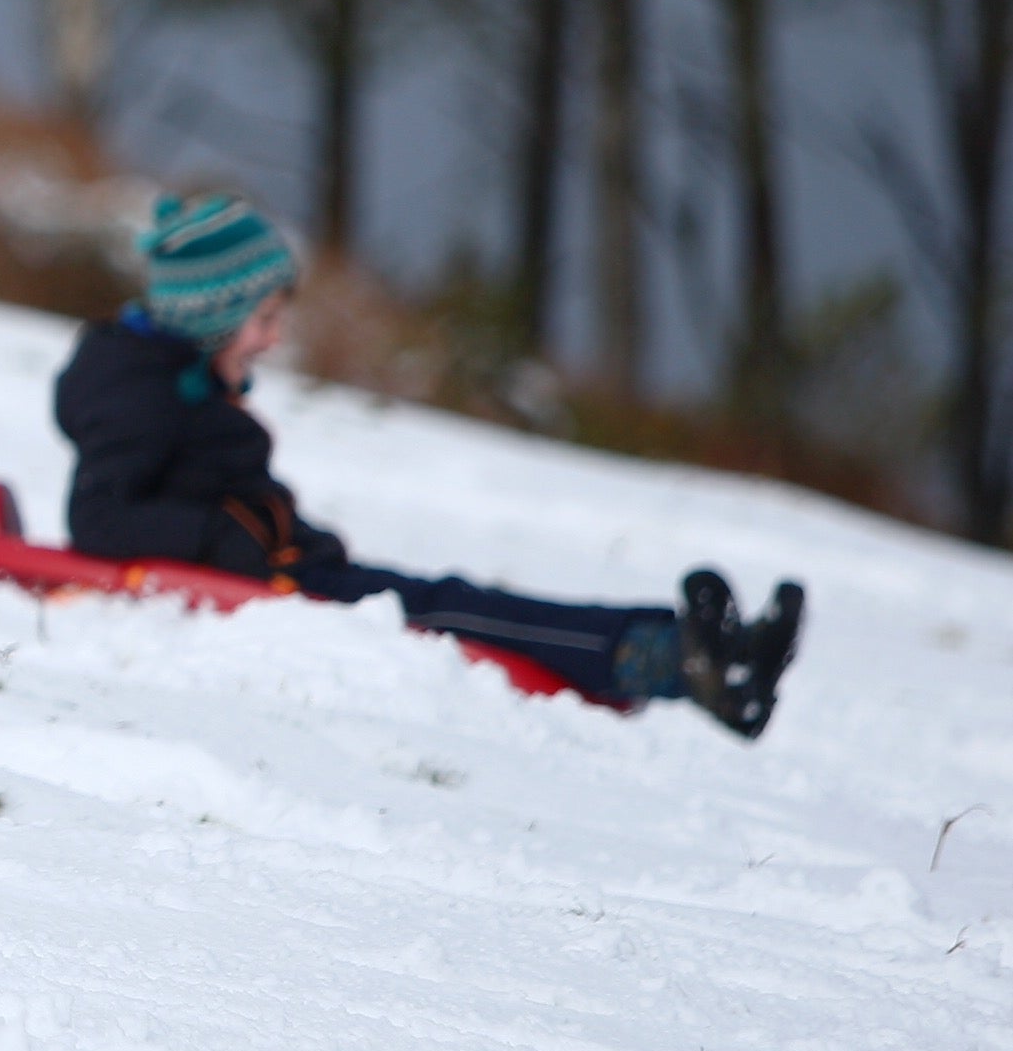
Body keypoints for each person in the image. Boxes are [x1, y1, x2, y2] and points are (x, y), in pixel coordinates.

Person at [51, 192, 803, 738]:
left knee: (458, 599)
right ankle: (679, 662)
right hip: (269, 592)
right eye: (264, 319)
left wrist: (291, 535)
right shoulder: (140, 393)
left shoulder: (176, 384)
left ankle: (707, 652)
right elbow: (100, 520)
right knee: (454, 615)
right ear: (213, 313)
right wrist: (228, 543)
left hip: (287, 571)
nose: (273, 340)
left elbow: (217, 498)